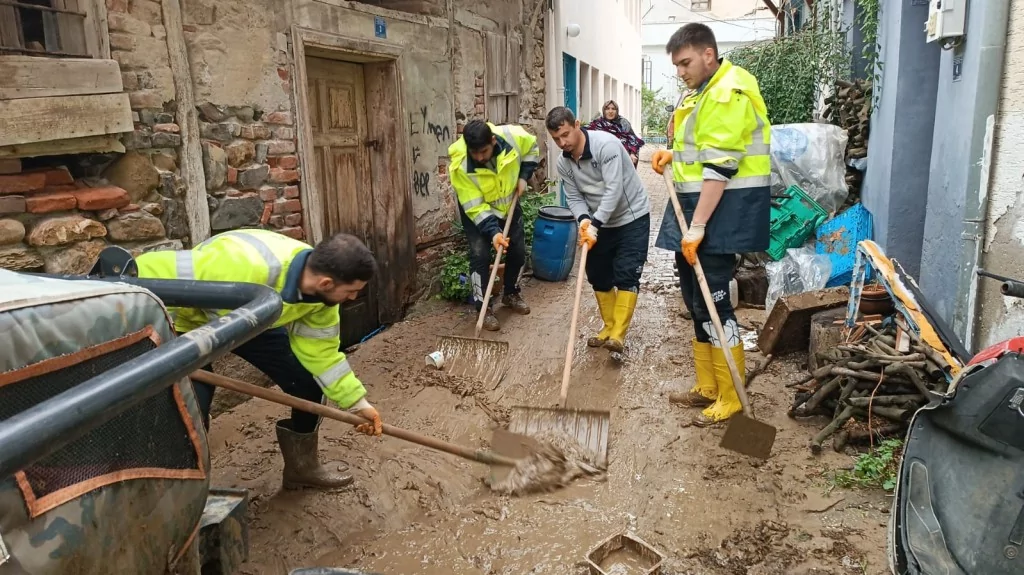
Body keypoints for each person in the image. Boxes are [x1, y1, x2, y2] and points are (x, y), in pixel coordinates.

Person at [135, 229, 383, 490]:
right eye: (352, 291)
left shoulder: (321, 299)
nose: (353, 298)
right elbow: (149, 276)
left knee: (308, 384)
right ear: (325, 283)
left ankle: (302, 468)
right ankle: (183, 499)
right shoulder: (242, 266)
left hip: (251, 317)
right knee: (191, 408)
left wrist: (358, 403)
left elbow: (322, 354)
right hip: (179, 319)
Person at [651, 22, 771, 426]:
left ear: (708, 54)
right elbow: (701, 152)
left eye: (685, 63)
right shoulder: (703, 91)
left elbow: (720, 167)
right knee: (695, 299)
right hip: (696, 206)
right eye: (676, 66)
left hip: (723, 211)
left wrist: (698, 225)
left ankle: (732, 394)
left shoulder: (726, 91)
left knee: (716, 303)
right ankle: (708, 385)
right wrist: (672, 155)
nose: (680, 72)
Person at [546, 106, 651, 354]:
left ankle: (618, 334)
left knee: (626, 273)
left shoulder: (607, 146)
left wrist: (595, 224)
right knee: (597, 274)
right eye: (556, 139)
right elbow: (573, 195)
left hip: (631, 217)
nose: (562, 143)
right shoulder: (564, 163)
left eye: (565, 134)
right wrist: (583, 220)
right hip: (597, 222)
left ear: (577, 124)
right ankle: (609, 326)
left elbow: (613, 190)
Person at [448, 119, 541, 331]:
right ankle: (483, 308)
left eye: (484, 151)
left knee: (517, 250)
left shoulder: (514, 136)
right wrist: (493, 233)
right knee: (480, 255)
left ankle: (511, 293)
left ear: (493, 140)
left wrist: (524, 176)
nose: (480, 157)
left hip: (508, 202)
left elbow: (532, 149)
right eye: (475, 153)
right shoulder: (460, 164)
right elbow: (475, 206)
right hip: (478, 211)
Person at [586, 100, 645, 168]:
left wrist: (632, 153)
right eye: (607, 109)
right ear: (604, 111)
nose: (610, 111)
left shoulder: (623, 122)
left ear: (617, 111)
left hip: (621, 156)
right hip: (602, 156)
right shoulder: (597, 123)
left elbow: (633, 139)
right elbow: (585, 134)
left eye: (613, 109)